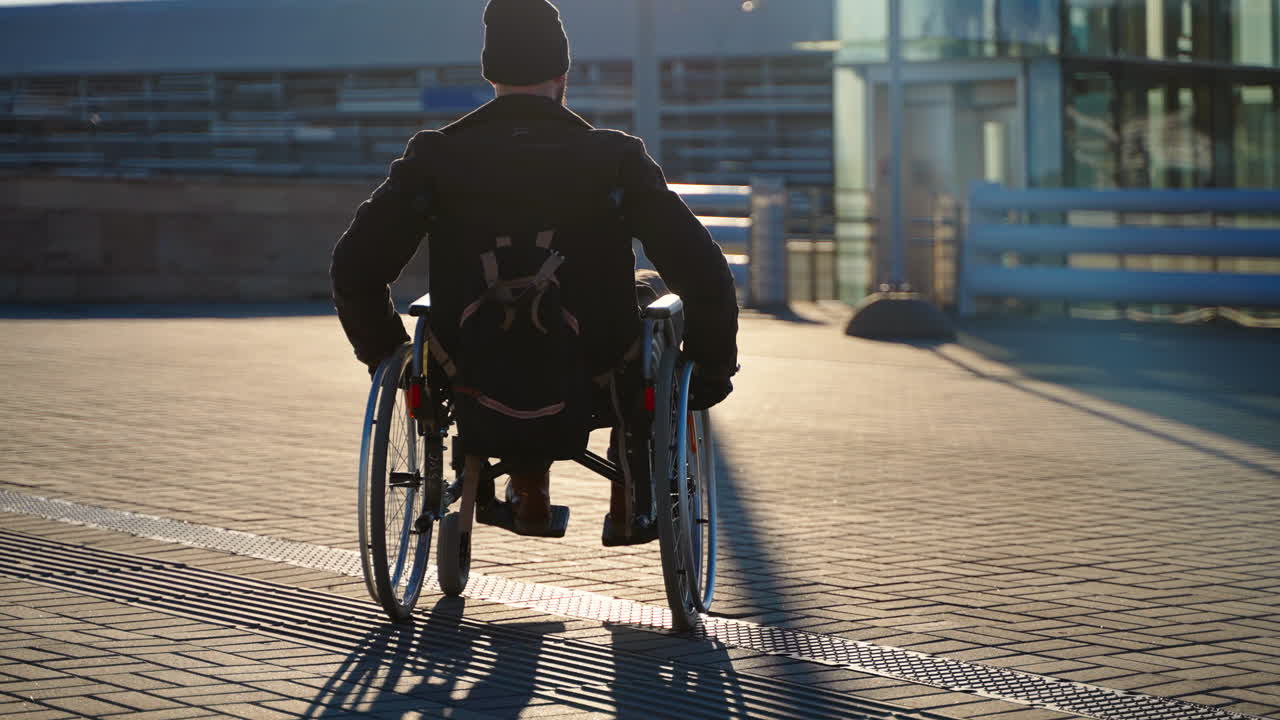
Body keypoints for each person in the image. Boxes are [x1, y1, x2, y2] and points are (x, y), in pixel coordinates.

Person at [331, 0, 738, 541]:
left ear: (490, 73)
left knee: (511, 331)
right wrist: (711, 369)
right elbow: (702, 270)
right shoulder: (613, 158)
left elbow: (354, 267)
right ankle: (629, 484)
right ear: (562, 73)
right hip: (597, 362)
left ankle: (529, 492)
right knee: (652, 296)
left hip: (468, 363)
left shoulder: (434, 158)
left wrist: (386, 353)